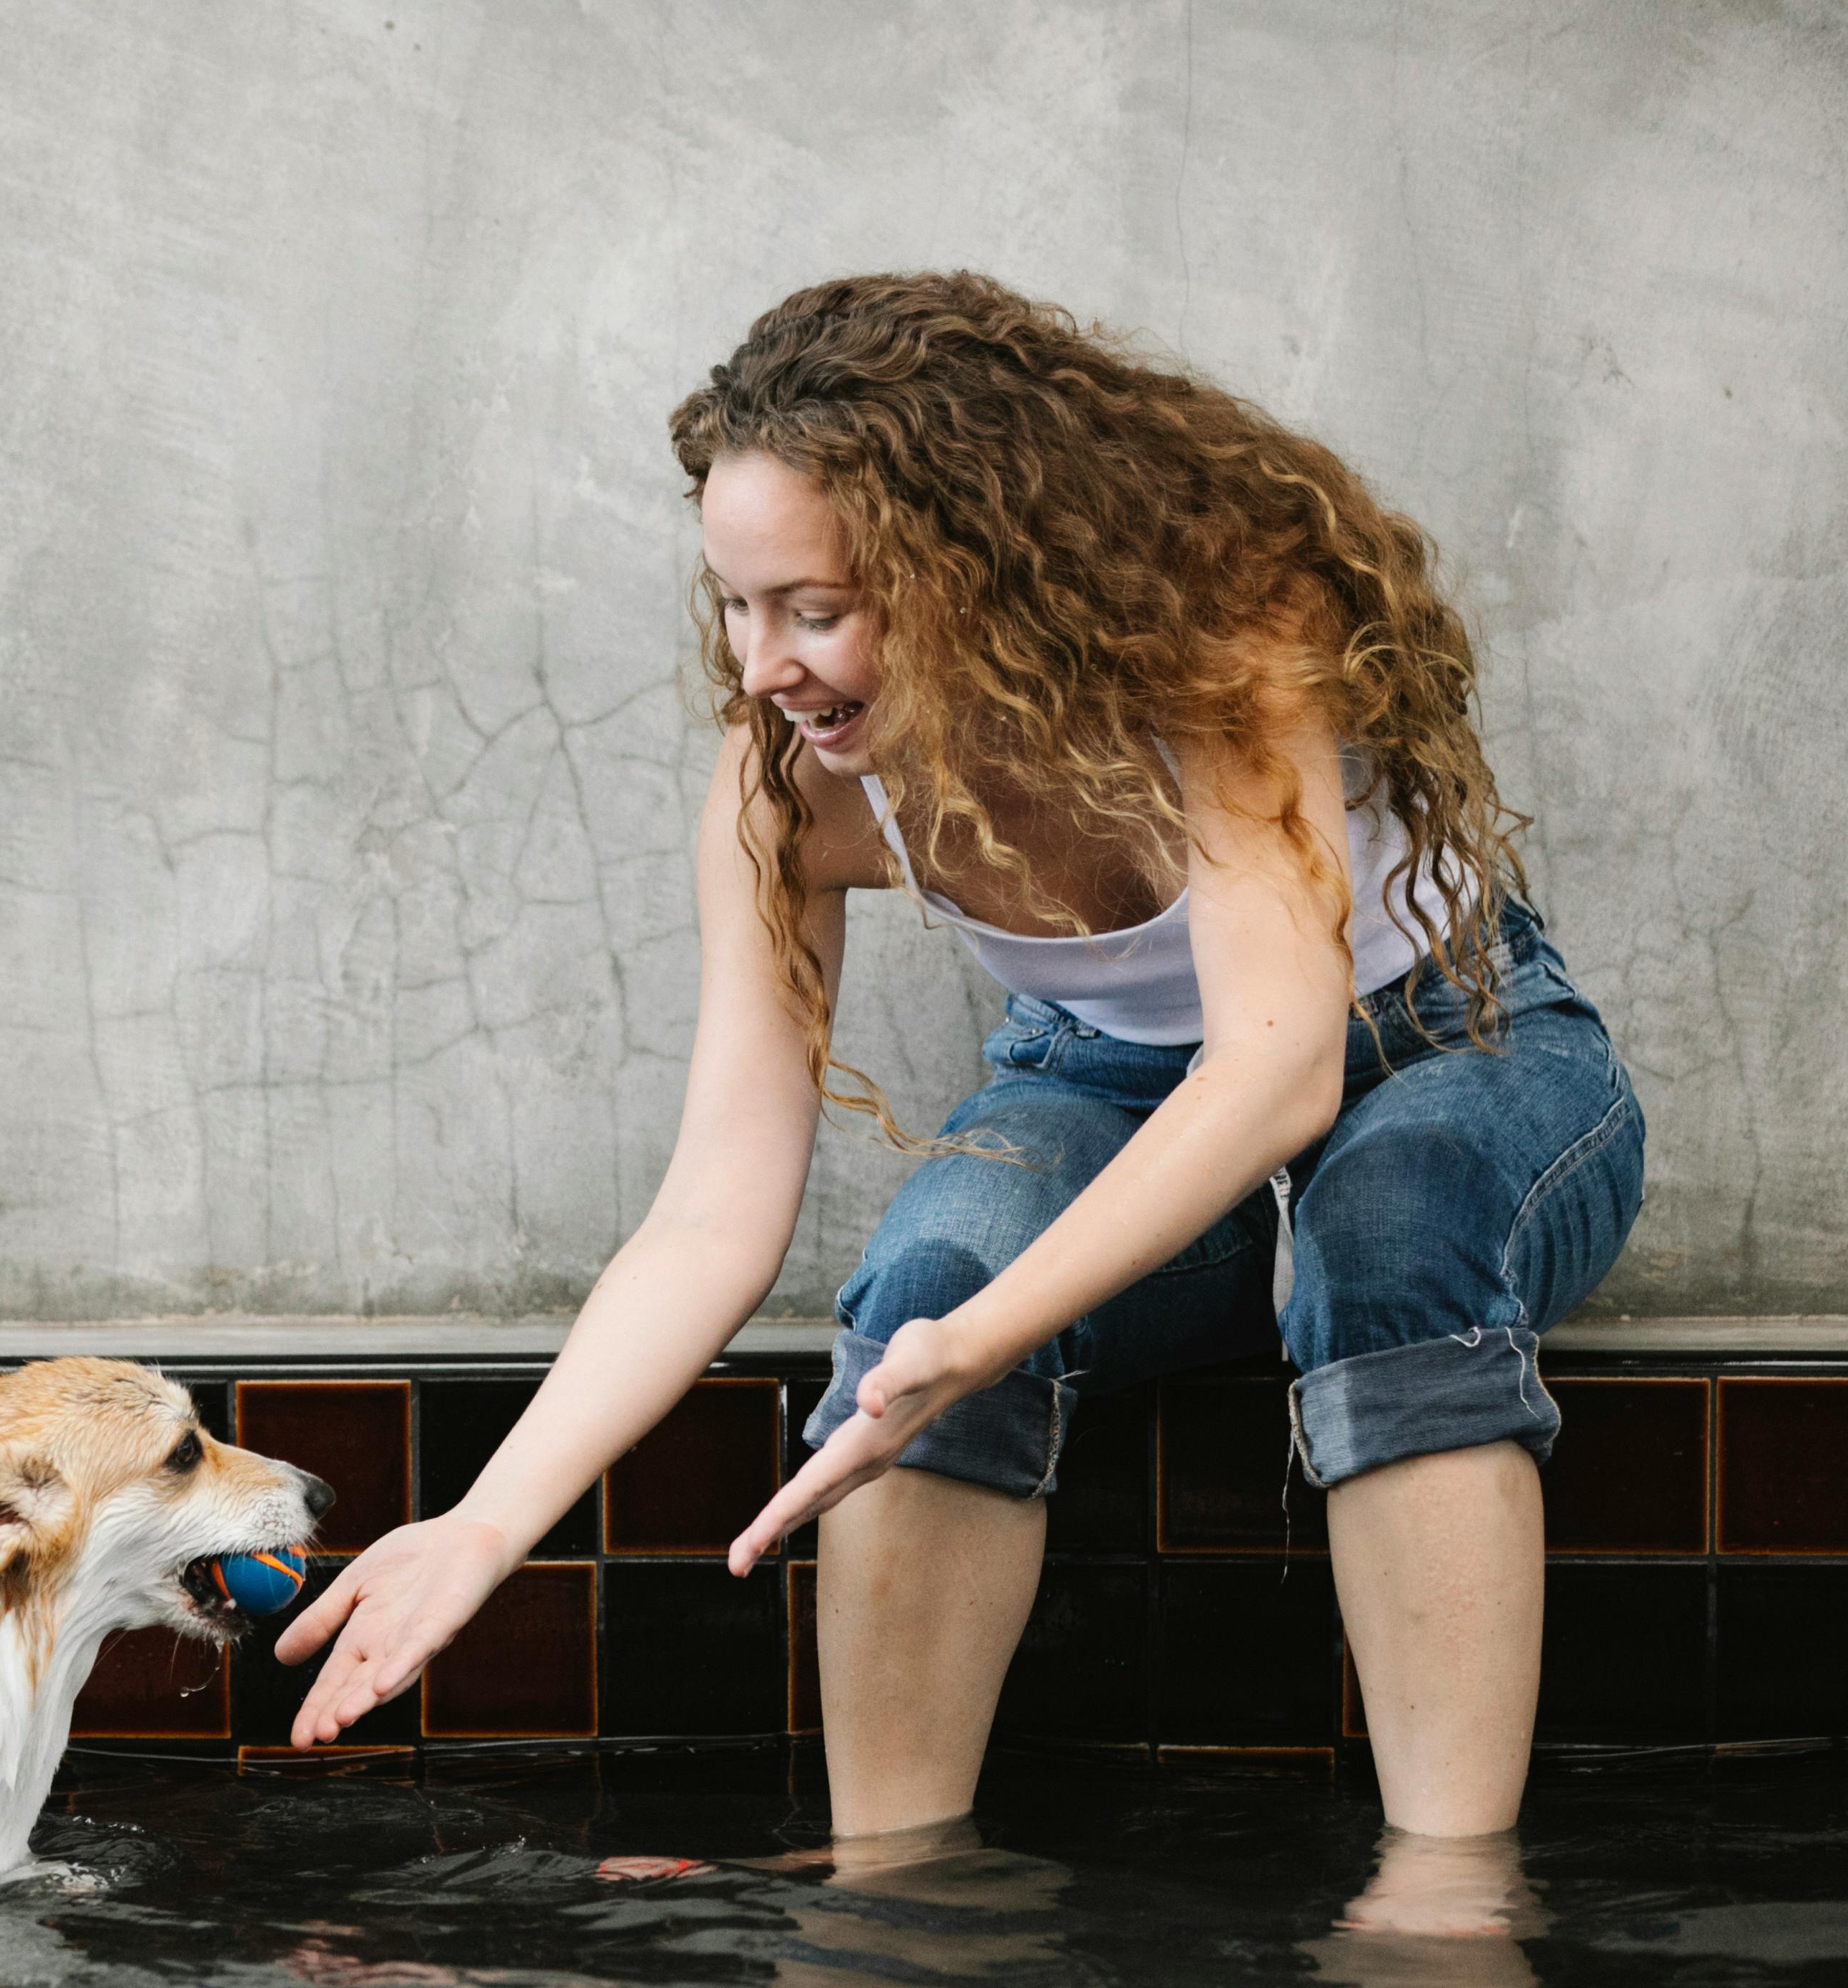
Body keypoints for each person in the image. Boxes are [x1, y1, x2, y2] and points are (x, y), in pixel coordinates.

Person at [276, 274, 1643, 1841]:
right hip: (1101, 1078)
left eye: (813, 606)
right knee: (923, 1286)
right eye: (735, 603)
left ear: (970, 562)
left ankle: (1446, 1927)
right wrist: (484, 1522)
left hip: (1443, 1040)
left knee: (1387, 1228)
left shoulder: (1221, 631)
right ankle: (894, 1927)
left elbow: (1277, 1072)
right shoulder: (786, 784)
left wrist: (996, 1332)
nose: (764, 663)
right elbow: (717, 1205)